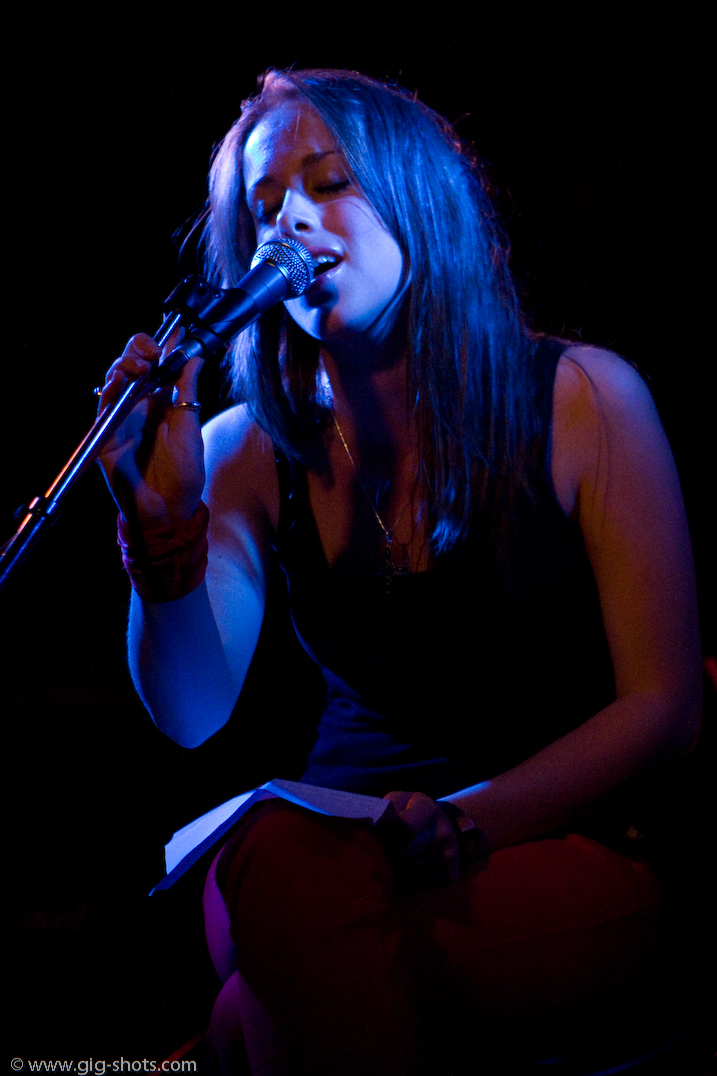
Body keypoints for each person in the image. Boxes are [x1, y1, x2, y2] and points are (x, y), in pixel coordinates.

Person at [97, 69, 702, 1075]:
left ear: (418, 197)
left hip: (549, 842)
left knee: (271, 996)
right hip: (326, 855)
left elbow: (666, 707)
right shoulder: (248, 447)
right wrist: (162, 532)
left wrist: (464, 822)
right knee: (276, 876)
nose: (289, 216)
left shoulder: (586, 400)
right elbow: (192, 711)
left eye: (328, 181)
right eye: (262, 207)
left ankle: (224, 1045)